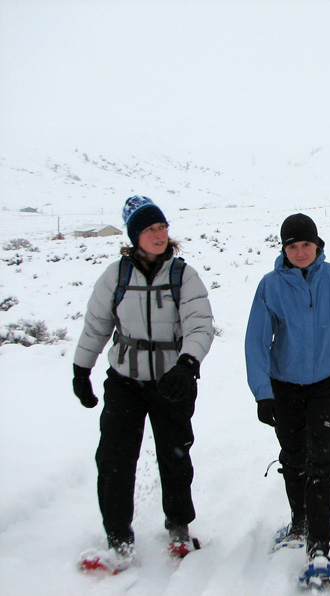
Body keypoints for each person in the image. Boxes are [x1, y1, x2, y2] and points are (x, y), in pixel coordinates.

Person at [72, 195, 214, 572]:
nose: (158, 234)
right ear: (135, 236)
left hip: (173, 380)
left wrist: (187, 363)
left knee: (175, 455)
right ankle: (118, 537)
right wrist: (81, 369)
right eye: (149, 229)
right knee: (115, 459)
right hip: (125, 381)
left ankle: (179, 526)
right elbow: (97, 325)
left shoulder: (183, 275)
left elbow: (200, 324)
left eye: (162, 227)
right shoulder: (116, 276)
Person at [245, 213, 330, 587]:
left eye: (306, 244)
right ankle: (298, 522)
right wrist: (263, 393)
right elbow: (256, 340)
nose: (300, 251)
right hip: (284, 385)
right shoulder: (270, 286)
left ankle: (319, 549)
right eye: (292, 245)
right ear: (284, 249)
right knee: (292, 457)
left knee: (321, 462)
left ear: (318, 244)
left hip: (327, 384)